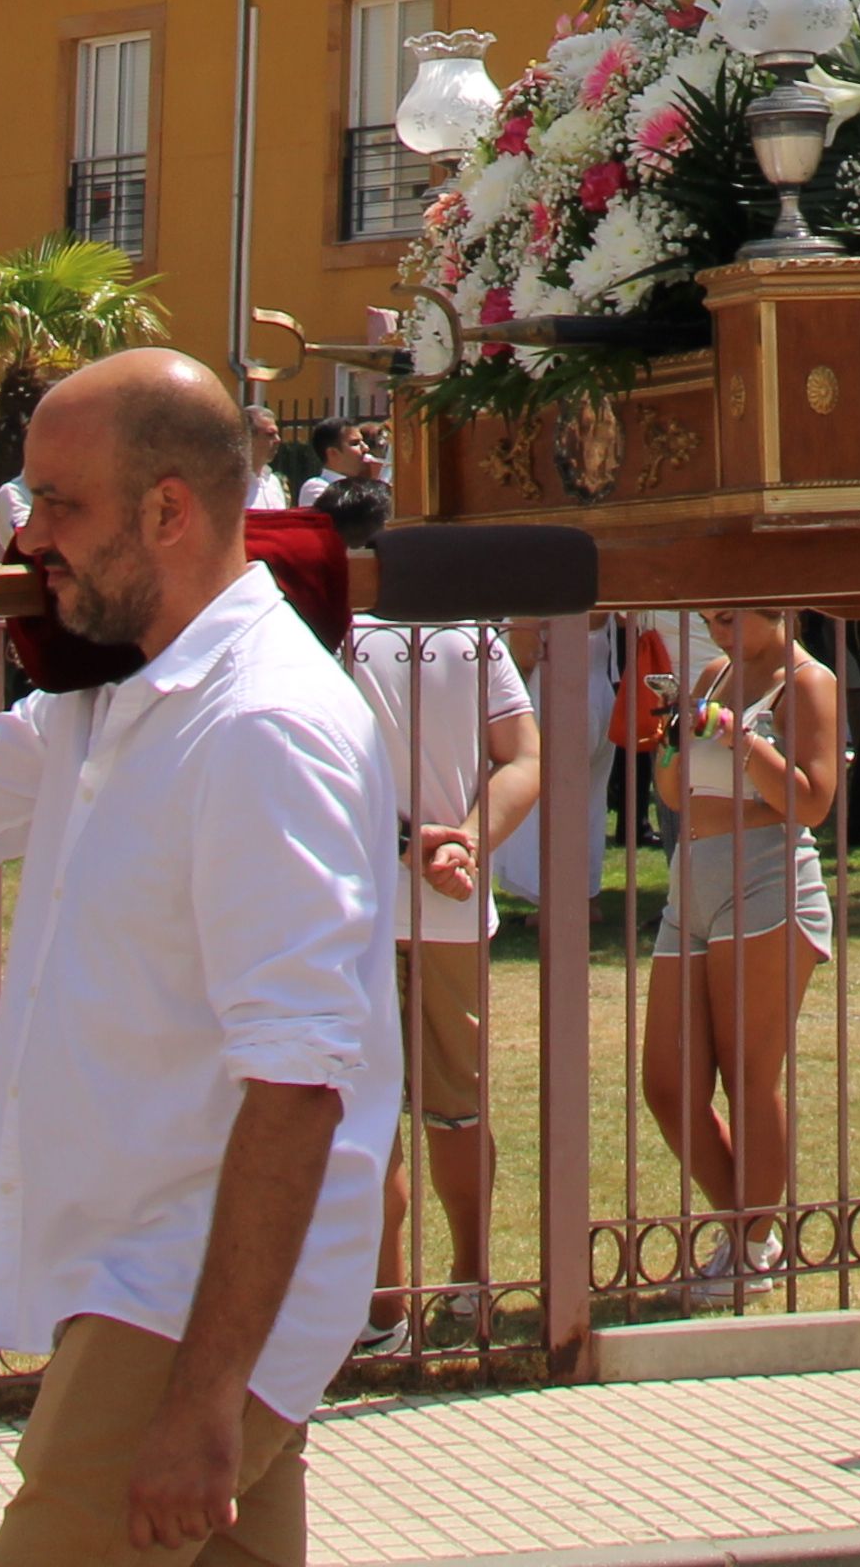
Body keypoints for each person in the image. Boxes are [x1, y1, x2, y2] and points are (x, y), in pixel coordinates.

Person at [0, 347, 394, 1567]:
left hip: (182, 1307)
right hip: (154, 1291)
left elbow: (300, 1082)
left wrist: (207, 1393)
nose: (27, 533)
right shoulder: (107, 697)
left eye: (58, 502)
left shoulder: (263, 724)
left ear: (169, 509)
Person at [330, 504, 540, 1353]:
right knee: (456, 1108)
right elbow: (520, 757)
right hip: (449, 902)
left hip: (361, 903)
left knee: (365, 1110)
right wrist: (467, 846)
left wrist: (422, 845)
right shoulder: (472, 637)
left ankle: (381, 1307)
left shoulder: (332, 638)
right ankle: (467, 1282)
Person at [641, 606, 845, 1301]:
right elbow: (673, 791)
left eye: (732, 618)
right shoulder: (711, 674)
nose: (721, 631)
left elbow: (813, 801)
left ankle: (753, 1247)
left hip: (766, 881)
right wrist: (673, 733)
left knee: (747, 1075)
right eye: (711, 619)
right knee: (666, 1083)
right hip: (691, 882)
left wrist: (737, 740)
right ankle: (746, 1224)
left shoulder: (806, 683)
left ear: (778, 607)